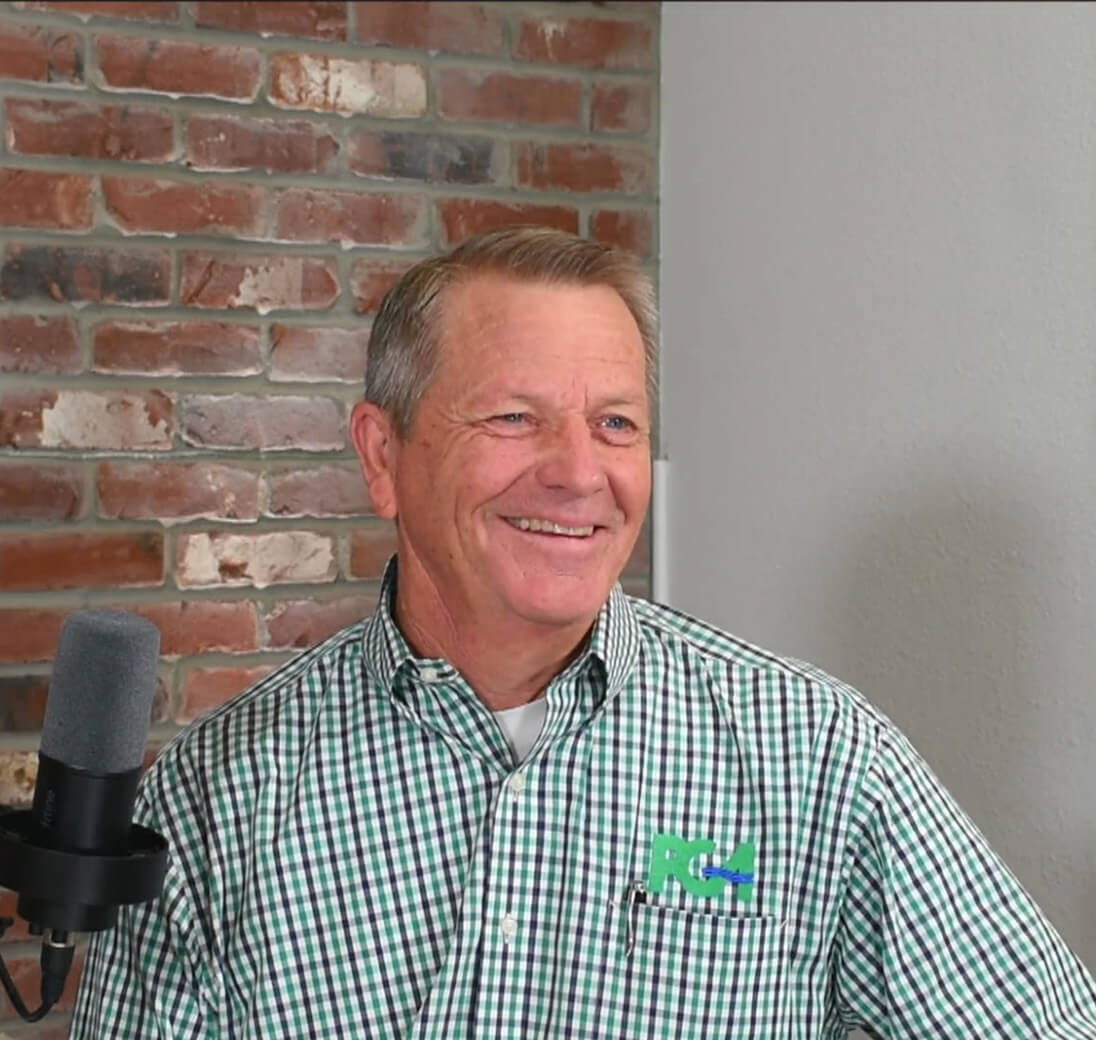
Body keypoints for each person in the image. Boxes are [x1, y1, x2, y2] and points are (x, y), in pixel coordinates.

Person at [71, 227, 1096, 1038]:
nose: (575, 470)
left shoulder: (814, 756)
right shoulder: (219, 796)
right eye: (513, 417)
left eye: (615, 423)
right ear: (383, 455)